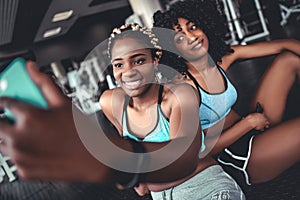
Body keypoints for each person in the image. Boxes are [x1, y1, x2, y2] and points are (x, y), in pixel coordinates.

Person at [153, 0, 300, 186]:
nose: (192, 37)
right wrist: (248, 123)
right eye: (180, 38)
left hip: (254, 125)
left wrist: (250, 122)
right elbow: (201, 151)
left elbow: (285, 44)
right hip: (238, 156)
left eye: (193, 27)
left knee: (288, 60)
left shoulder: (220, 60)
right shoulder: (183, 88)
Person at [99, 23, 245, 199]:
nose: (128, 72)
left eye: (138, 61)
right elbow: (138, 178)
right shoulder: (110, 103)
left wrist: (139, 175)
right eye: (118, 65)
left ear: (155, 60)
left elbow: (185, 161)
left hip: (208, 189)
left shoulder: (180, 94)